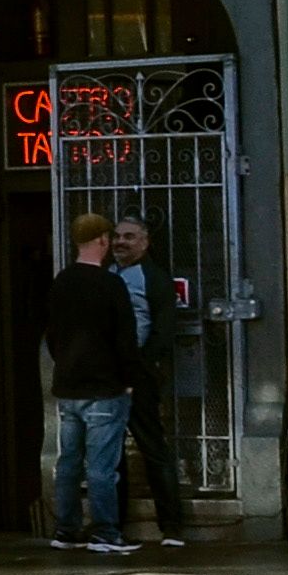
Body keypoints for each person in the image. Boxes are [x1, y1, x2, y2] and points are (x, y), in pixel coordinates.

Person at [40, 210, 142, 554]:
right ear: (101, 240)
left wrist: (66, 365)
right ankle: (105, 532)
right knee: (101, 467)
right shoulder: (111, 284)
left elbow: (52, 336)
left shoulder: (61, 282)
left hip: (68, 387)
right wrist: (128, 380)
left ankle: (66, 530)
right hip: (104, 388)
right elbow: (125, 338)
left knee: (69, 463)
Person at [107, 213, 195, 549]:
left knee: (152, 448)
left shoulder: (154, 278)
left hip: (139, 376)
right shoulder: (108, 275)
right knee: (110, 452)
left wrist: (144, 366)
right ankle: (113, 526)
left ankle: (171, 527)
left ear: (145, 242)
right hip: (110, 376)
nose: (120, 242)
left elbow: (163, 326)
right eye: (117, 236)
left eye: (129, 236)